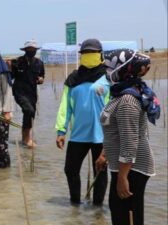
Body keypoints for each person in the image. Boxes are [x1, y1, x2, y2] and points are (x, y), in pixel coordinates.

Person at [96, 49, 158, 225]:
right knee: (119, 212)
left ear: (122, 69)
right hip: (124, 166)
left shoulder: (127, 100)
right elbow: (116, 132)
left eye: (109, 68)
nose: (106, 72)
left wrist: (123, 177)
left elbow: (130, 141)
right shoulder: (121, 93)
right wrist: (104, 153)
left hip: (132, 168)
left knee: (126, 217)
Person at [55, 38, 109, 206]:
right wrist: (61, 131)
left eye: (92, 53)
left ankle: (98, 209)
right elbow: (65, 106)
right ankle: (75, 205)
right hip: (78, 133)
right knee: (70, 170)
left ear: (100, 55)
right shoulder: (73, 78)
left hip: (102, 135)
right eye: (85, 53)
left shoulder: (109, 77)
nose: (88, 56)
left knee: (100, 172)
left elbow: (115, 106)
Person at [10, 39, 45, 147]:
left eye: (33, 49)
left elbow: (42, 77)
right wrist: (8, 67)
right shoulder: (17, 61)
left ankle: (24, 136)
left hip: (32, 92)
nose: (31, 51)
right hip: (19, 91)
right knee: (28, 110)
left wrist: (41, 80)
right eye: (29, 49)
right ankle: (26, 139)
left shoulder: (39, 63)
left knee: (31, 114)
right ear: (25, 50)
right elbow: (10, 76)